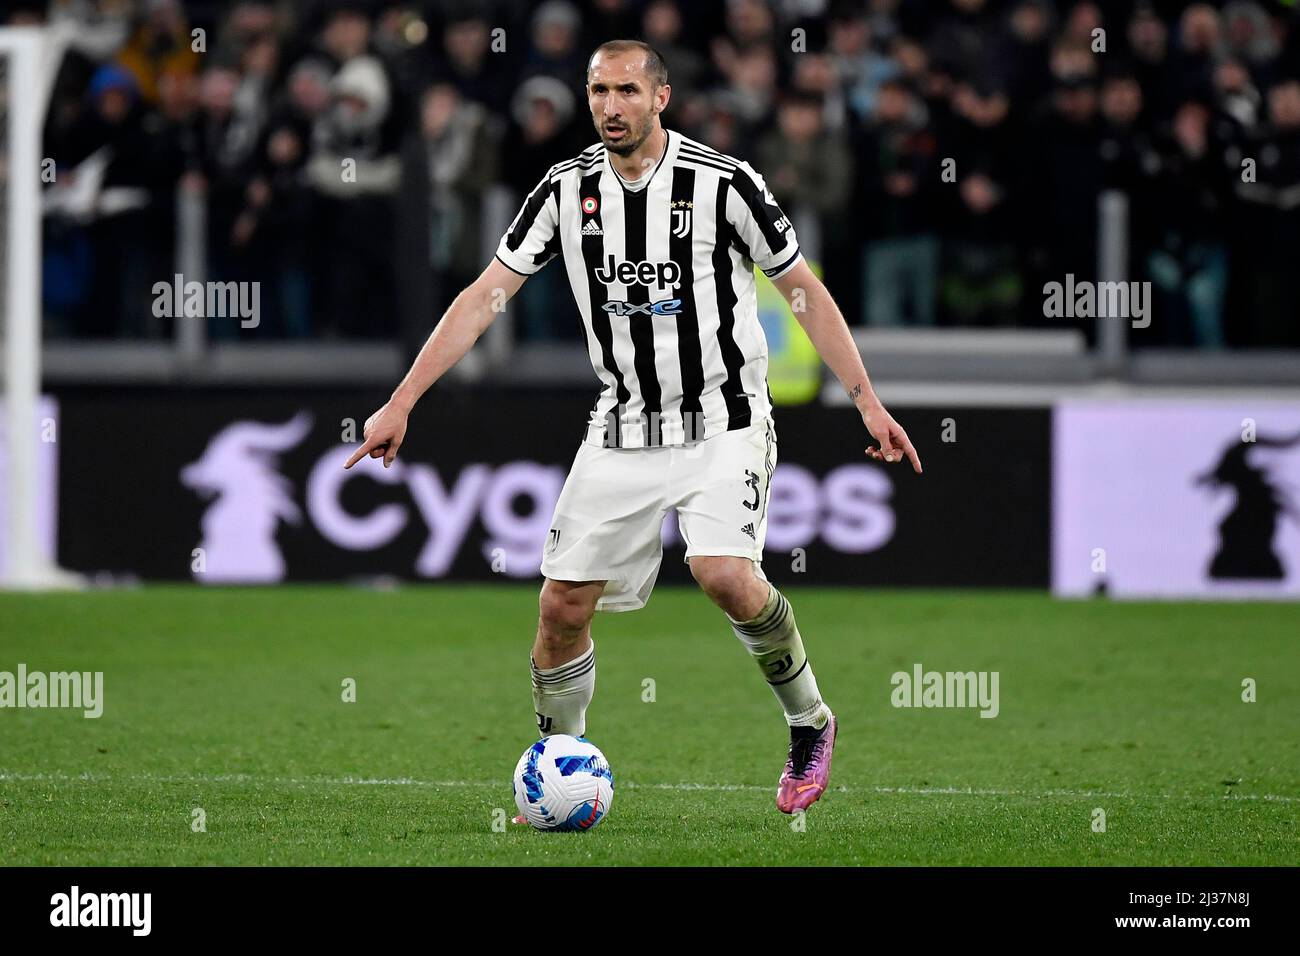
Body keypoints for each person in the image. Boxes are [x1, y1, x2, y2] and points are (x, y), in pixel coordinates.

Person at [345, 40, 922, 815]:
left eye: (626, 90)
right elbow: (485, 296)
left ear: (661, 97)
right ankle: (559, 763)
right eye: (598, 92)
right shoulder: (565, 190)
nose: (611, 107)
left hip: (724, 418)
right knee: (561, 606)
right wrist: (403, 400)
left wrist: (867, 401)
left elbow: (803, 292)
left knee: (723, 573)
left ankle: (809, 720)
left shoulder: (725, 184)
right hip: (622, 427)